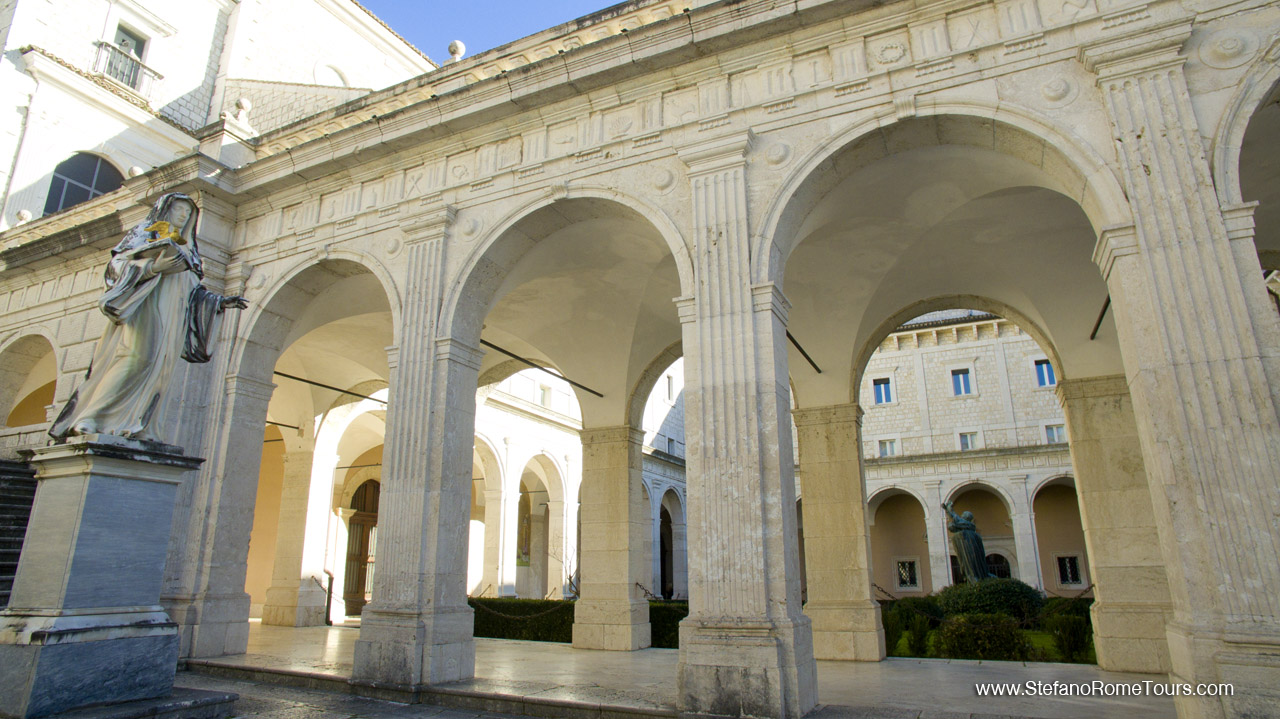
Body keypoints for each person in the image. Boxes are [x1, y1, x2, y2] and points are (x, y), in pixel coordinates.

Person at [49, 193, 247, 443]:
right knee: (135, 357)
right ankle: (92, 418)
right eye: (178, 209)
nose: (184, 215)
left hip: (173, 317)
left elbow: (193, 289)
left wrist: (219, 302)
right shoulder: (146, 232)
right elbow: (116, 267)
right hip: (146, 307)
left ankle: (141, 425)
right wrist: (154, 268)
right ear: (165, 209)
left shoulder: (189, 248)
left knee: (161, 370)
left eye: (188, 211)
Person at [943, 501, 991, 583]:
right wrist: (948, 509)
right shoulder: (968, 526)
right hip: (966, 545)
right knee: (968, 563)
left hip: (968, 546)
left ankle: (973, 577)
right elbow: (954, 519)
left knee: (970, 563)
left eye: (963, 514)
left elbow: (955, 518)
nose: (962, 515)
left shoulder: (965, 524)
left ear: (967, 517)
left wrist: (949, 509)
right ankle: (973, 577)